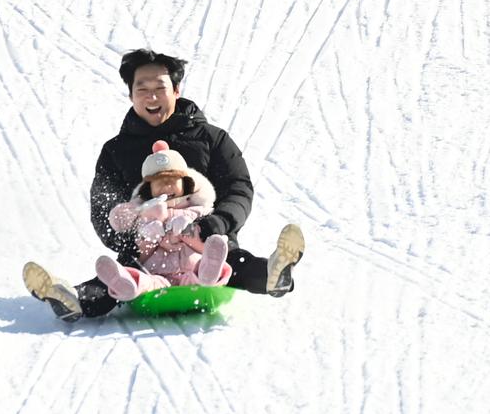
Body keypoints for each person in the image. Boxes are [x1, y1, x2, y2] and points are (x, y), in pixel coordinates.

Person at [23, 48, 304, 324]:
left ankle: (272, 275)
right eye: (142, 88)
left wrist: (217, 224)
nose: (152, 96)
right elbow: (104, 205)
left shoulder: (211, 139)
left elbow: (238, 188)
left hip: (204, 241)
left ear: (177, 90)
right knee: (121, 276)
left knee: (234, 262)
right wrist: (134, 236)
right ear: (131, 94)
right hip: (147, 250)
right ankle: (74, 299)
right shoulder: (116, 150)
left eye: (160, 86)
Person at [94, 140, 232, 300]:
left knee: (201, 270)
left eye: (173, 181)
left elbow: (207, 241)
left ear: (186, 183)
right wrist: (149, 238)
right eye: (159, 183)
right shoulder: (144, 217)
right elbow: (140, 255)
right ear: (149, 190)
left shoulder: (198, 211)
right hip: (157, 275)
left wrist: (188, 231)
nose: (167, 187)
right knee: (148, 283)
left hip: (191, 271)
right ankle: (127, 284)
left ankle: (209, 273)